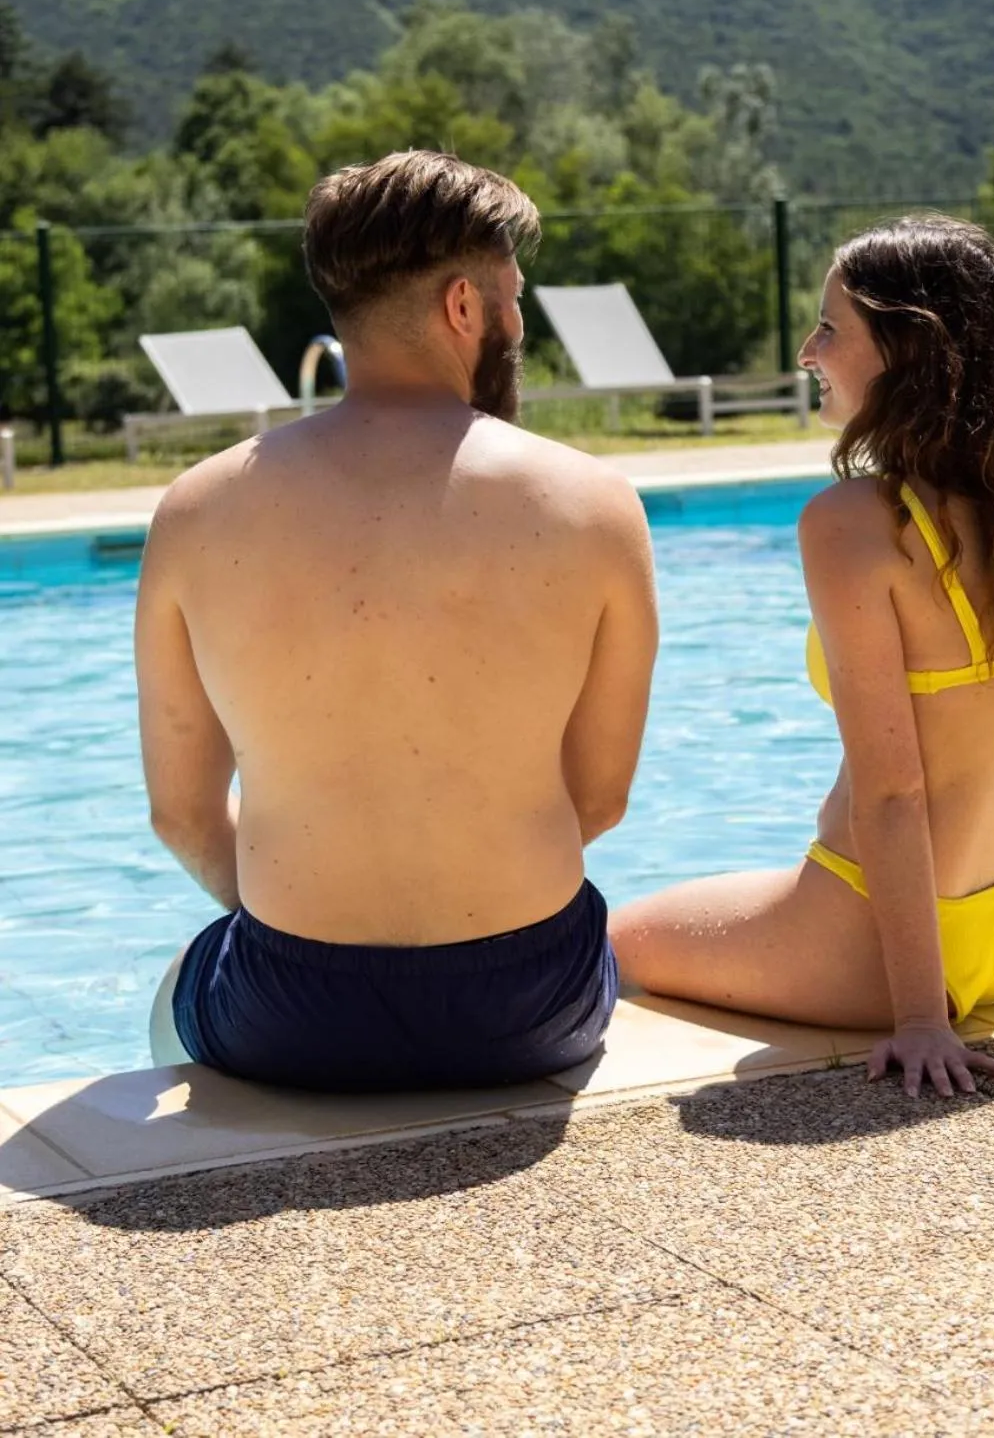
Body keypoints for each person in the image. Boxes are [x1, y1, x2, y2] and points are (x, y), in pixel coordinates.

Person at [610, 216, 994, 1097]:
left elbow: (893, 790)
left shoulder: (853, 526)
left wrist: (919, 1017)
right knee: (726, 896)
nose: (809, 350)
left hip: (877, 951)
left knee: (611, 939)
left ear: (909, 350)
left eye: (832, 327)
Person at [139, 150, 658, 1091]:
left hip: (287, 1011)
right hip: (530, 1001)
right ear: (463, 307)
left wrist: (295, 924)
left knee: (177, 984)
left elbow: (179, 812)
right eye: (513, 299)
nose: (517, 323)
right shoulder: (594, 504)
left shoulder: (196, 509)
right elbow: (602, 798)